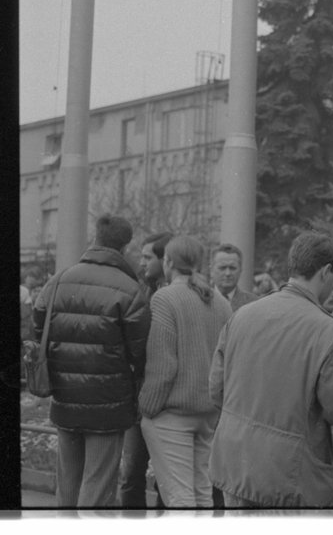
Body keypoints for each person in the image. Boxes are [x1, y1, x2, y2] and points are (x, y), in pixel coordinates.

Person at [208, 232, 333, 508]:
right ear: (325, 272)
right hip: (291, 482)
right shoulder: (332, 333)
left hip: (235, 468)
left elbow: (216, 390)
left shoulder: (241, 316)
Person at [32, 214, 150, 507]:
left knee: (67, 486)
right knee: (97, 490)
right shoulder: (129, 290)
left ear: (95, 239)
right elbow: (139, 352)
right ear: (125, 246)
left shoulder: (58, 280)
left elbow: (39, 329)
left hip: (64, 398)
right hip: (108, 405)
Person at [138, 235, 232, 508]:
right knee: (202, 496)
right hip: (209, 413)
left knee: (180, 501)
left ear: (168, 262)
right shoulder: (220, 302)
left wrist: (147, 408)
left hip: (173, 414)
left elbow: (162, 364)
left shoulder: (165, 298)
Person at [119, 231, 172, 509]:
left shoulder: (174, 299)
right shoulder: (142, 291)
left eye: (148, 257)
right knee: (131, 475)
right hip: (139, 399)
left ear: (167, 261)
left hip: (165, 403)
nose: (142, 263)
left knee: (167, 482)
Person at [211, 243, 259, 312]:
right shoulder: (201, 301)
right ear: (211, 270)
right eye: (222, 268)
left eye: (232, 268)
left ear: (240, 270)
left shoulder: (254, 303)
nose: (228, 273)